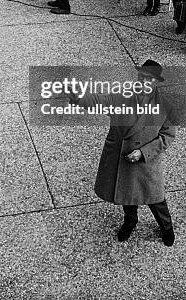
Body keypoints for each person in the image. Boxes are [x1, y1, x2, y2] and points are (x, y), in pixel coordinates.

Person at [69, 60, 175, 246]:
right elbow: (100, 101)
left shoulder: (165, 107)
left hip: (146, 161)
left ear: (156, 82)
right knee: (127, 193)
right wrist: (79, 98)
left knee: (155, 198)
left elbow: (167, 136)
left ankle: (167, 227)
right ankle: (130, 221)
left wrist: (142, 153)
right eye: (141, 77)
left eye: (148, 79)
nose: (143, 82)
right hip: (122, 156)